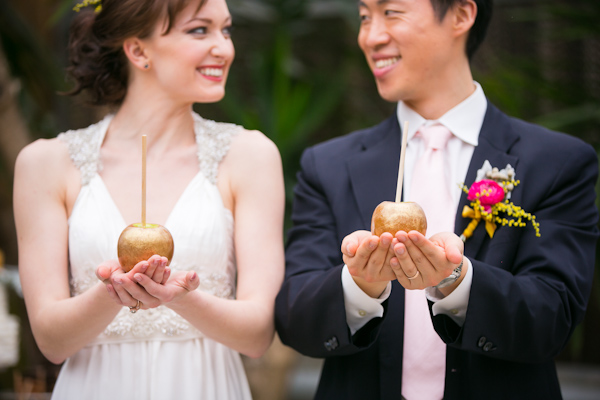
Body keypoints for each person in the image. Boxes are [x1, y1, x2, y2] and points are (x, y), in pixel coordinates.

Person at [275, 0, 599, 399]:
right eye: (364, 17)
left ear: (461, 15)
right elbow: (293, 318)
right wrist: (359, 286)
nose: (371, 36)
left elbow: (554, 317)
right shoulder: (328, 164)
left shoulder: (556, 162)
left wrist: (457, 282)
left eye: (391, 12)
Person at [13, 0, 285, 399]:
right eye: (199, 30)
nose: (224, 48)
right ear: (138, 50)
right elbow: (51, 340)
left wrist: (180, 298)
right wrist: (111, 293)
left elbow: (258, 334)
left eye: (225, 30)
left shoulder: (250, 156)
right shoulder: (47, 164)